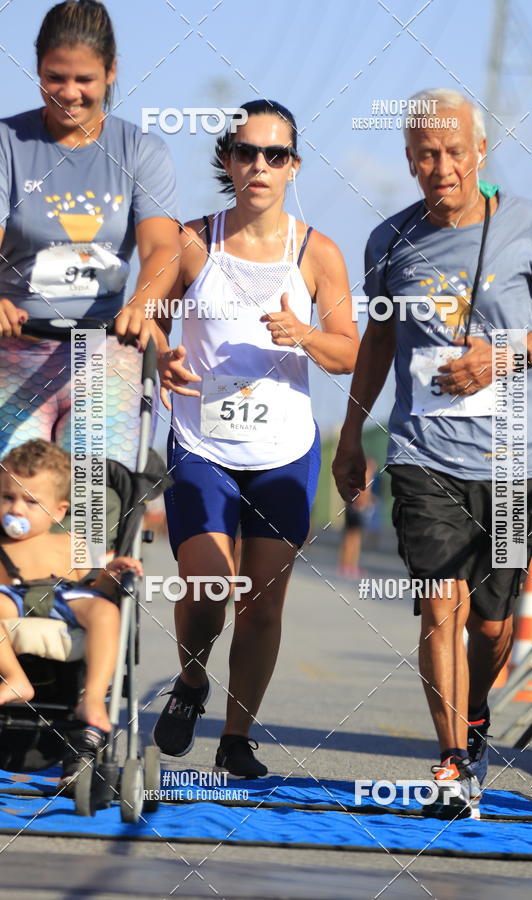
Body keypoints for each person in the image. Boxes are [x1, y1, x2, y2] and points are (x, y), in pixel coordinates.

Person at [333, 88, 532, 817]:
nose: (440, 167)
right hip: (424, 453)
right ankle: (450, 760)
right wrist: (350, 435)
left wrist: (501, 357)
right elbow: (379, 341)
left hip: (511, 460)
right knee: (441, 604)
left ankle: (474, 715)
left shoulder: (530, 226)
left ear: (480, 151)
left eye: (452, 152)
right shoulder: (389, 241)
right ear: (409, 159)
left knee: (494, 625)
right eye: (425, 154)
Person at [151, 99, 359, 777]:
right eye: (246, 152)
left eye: (275, 154)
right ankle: (191, 679)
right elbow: (145, 318)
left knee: (262, 603)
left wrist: (306, 335)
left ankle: (236, 738)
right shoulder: (190, 241)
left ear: (294, 166)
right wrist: (160, 354)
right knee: (208, 585)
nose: (259, 165)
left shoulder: (317, 252)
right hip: (203, 442)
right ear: (228, 161)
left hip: (283, 450)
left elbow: (348, 352)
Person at [0, 0, 179, 469]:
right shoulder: (6, 144)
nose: (69, 92)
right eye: (54, 77)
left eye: (85, 79)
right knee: (21, 498)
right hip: (15, 350)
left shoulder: (141, 149)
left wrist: (141, 303)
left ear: (111, 71)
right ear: (37, 68)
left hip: (104, 352)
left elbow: (162, 246)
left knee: (92, 501)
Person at [0, 439, 143, 734]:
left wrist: (110, 575)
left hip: (64, 595)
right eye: (7, 497)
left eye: (31, 502)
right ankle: (15, 678)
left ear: (58, 511)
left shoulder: (70, 542)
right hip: (13, 596)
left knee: (105, 611)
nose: (16, 509)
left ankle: (93, 698)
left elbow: (92, 585)